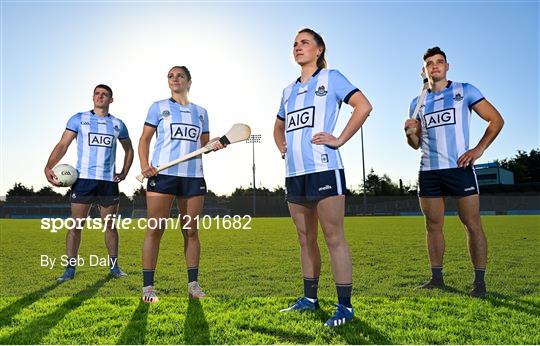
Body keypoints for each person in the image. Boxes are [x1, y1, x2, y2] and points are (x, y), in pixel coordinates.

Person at [273, 28, 372, 327]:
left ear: (318, 50)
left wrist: (339, 139)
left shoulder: (332, 78)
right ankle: (310, 299)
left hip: (325, 168)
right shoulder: (287, 91)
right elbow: (278, 126)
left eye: (304, 42)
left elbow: (363, 106)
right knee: (305, 239)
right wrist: (282, 148)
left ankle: (345, 307)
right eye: (294, 44)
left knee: (334, 238)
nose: (298, 47)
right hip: (294, 174)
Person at [404, 47, 504, 298]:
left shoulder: (465, 90)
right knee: (433, 226)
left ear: (447, 66)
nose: (435, 66)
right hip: (429, 171)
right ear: (423, 70)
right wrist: (410, 133)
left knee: (472, 225)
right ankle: (436, 278)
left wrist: (478, 150)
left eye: (439, 62)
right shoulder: (417, 102)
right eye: (429, 63)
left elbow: (496, 120)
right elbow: (415, 145)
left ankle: (479, 283)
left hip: (460, 169)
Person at [139, 66, 225, 303]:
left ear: (189, 81)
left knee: (191, 231)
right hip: (162, 175)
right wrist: (145, 164)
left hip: (192, 177)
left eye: (179, 76)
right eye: (170, 76)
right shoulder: (158, 107)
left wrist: (215, 144)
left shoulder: (201, 112)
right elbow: (144, 139)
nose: (174, 79)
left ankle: (193, 284)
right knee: (155, 229)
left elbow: (204, 145)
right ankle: (148, 288)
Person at [44, 84, 134, 282]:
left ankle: (114, 267)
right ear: (93, 97)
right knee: (76, 225)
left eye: (105, 94)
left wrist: (125, 172)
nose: (100, 96)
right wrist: (49, 166)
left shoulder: (118, 124)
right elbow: (62, 145)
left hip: (108, 183)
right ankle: (69, 269)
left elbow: (129, 149)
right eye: (97, 93)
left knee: (110, 226)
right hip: (83, 180)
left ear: (111, 100)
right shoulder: (79, 119)